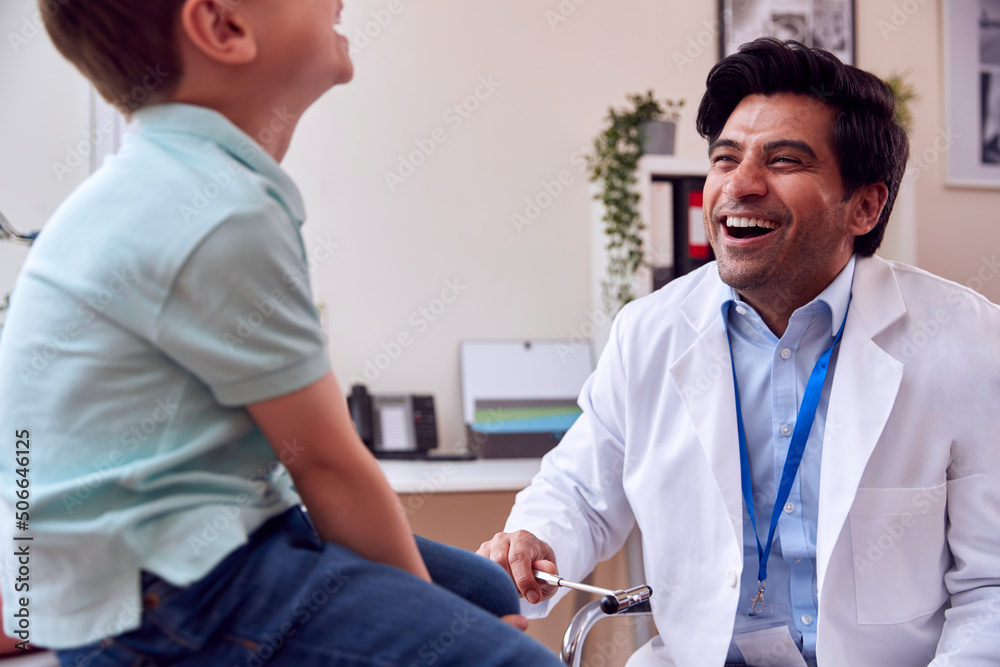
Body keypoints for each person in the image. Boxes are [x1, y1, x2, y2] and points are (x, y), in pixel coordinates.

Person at [0, 1, 564, 665]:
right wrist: (439, 629)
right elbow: (327, 465)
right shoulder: (220, 208)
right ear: (223, 27)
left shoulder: (162, 181)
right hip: (170, 596)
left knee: (482, 586)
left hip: (142, 565)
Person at [479, 38, 1000, 666]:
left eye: (783, 161)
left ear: (865, 205)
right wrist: (536, 538)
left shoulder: (966, 340)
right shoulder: (648, 333)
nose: (740, 185)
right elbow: (581, 493)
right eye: (726, 158)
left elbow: (991, 588)